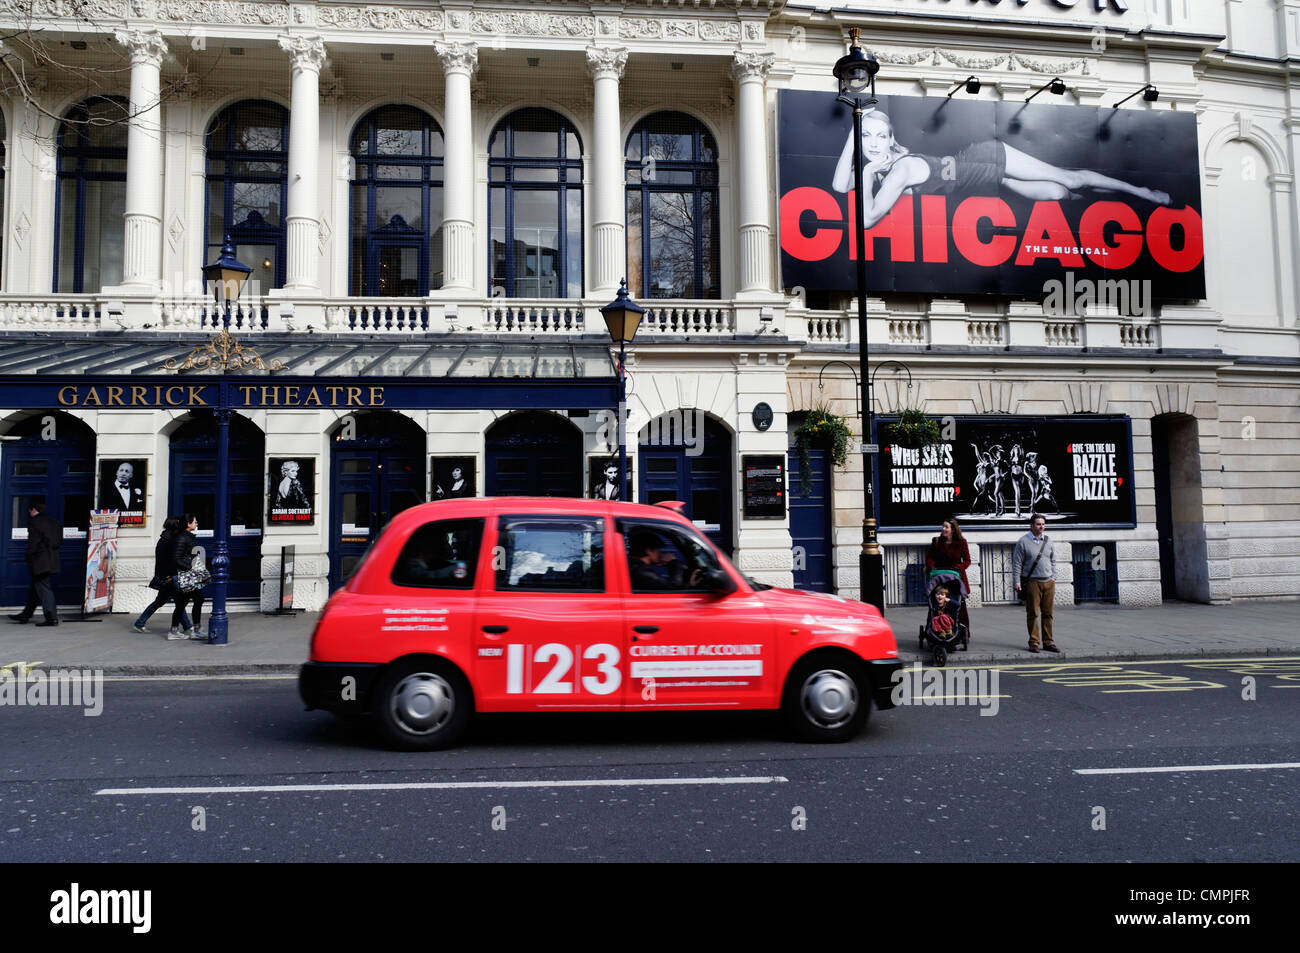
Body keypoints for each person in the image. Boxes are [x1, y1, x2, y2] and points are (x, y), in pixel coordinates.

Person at [832, 109, 1171, 231]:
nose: (873, 144)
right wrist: (851, 134)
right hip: (986, 177)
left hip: (986, 160)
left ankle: (1143, 193)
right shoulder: (882, 168)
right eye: (866, 136)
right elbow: (838, 186)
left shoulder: (899, 169)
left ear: (891, 138)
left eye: (880, 136)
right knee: (1058, 193)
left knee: (1069, 178)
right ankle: (1119, 204)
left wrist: (865, 172)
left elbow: (866, 219)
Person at [132, 517, 189, 633]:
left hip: (165, 575)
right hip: (167, 576)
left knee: (161, 601)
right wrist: (168, 575)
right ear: (175, 525)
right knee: (179, 601)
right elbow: (165, 560)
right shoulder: (168, 540)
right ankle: (188, 626)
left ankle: (140, 622)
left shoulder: (167, 538)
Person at [9, 502, 62, 627]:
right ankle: (26, 614)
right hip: (52, 560)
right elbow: (59, 541)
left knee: (44, 588)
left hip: (39, 562)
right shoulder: (54, 522)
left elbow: (33, 543)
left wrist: (29, 556)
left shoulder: (35, 522)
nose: (29, 514)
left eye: (29, 511)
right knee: (36, 587)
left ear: (33, 510)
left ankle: (51, 618)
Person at [1012, 513, 1057, 653]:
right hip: (1032, 582)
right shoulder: (1023, 541)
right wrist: (1016, 581)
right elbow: (1017, 563)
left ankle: (1048, 642)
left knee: (1048, 613)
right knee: (1032, 613)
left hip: (1048, 582)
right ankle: (1034, 642)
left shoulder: (1049, 541)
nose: (1041, 527)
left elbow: (1053, 560)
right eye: (1038, 524)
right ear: (1031, 525)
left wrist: (1054, 577)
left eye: (1043, 524)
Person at [926, 518, 972, 641]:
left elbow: (967, 561)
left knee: (958, 605)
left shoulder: (962, 542)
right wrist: (930, 567)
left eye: (946, 527)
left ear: (953, 529)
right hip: (939, 577)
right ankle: (934, 630)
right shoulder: (936, 541)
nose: (943, 529)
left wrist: (959, 567)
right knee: (936, 604)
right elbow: (930, 557)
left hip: (955, 578)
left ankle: (961, 632)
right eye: (943, 527)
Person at [169, 514, 207, 641]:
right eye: (195, 521)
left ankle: (175, 630)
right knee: (197, 599)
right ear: (188, 524)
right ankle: (195, 630)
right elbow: (176, 558)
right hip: (188, 575)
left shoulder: (187, 537)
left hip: (189, 574)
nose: (196, 523)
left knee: (183, 603)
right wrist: (191, 568)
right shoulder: (182, 538)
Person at [627, 530, 703, 591]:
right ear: (649, 551)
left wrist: (688, 585)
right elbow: (674, 586)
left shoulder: (634, 566)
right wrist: (673, 562)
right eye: (658, 549)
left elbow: (664, 586)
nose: (660, 552)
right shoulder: (642, 572)